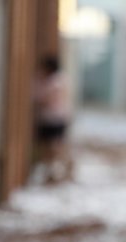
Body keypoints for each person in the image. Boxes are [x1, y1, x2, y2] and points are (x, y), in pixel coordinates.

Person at [33, 54, 74, 184]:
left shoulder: (53, 83)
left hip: (52, 118)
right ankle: (57, 171)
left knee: (52, 147)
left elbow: (46, 100)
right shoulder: (61, 79)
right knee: (54, 147)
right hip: (58, 117)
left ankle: (58, 171)